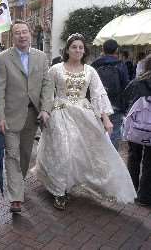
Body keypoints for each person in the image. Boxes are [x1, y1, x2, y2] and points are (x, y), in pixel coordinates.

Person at [35, 33, 136, 210]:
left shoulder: (90, 71)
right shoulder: (56, 69)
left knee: (85, 151)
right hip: (60, 113)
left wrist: (106, 119)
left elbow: (98, 94)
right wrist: (45, 112)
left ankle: (81, 182)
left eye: (81, 47)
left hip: (83, 114)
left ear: (85, 50)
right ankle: (59, 191)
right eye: (74, 47)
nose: (78, 50)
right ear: (67, 49)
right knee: (63, 150)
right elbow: (47, 93)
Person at [0, 20, 52, 213]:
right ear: (13, 36)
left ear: (29, 34)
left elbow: (47, 85)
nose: (22, 35)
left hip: (32, 114)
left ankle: (19, 183)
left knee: (26, 154)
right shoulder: (2, 59)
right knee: (12, 154)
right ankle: (16, 197)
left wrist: (45, 109)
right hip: (10, 115)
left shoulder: (41, 57)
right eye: (17, 32)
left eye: (25, 32)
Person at [123, 54, 151, 206]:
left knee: (134, 157)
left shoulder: (138, 81)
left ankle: (130, 189)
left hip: (136, 127)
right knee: (149, 162)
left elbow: (125, 96)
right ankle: (145, 197)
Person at [92, 39, 129, 150]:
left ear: (102, 49)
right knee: (114, 134)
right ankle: (112, 161)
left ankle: (99, 160)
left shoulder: (94, 65)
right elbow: (126, 86)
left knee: (97, 134)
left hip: (98, 105)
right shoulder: (120, 65)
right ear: (117, 50)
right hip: (116, 105)